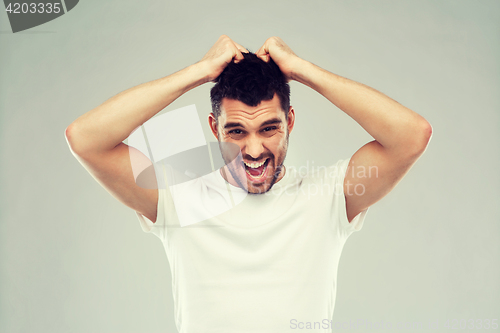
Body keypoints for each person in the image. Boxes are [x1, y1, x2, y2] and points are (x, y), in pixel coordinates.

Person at [65, 35, 432, 332]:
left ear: (290, 121)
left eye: (269, 128)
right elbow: (86, 139)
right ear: (214, 128)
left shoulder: (329, 196)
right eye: (236, 131)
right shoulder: (180, 198)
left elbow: (411, 136)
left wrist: (302, 71)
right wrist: (198, 72)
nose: (253, 150)